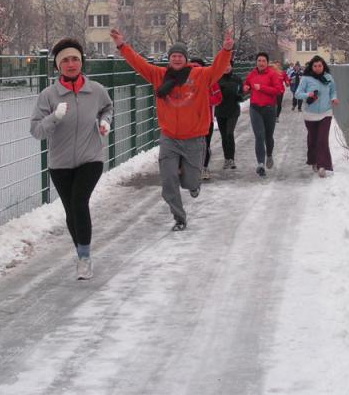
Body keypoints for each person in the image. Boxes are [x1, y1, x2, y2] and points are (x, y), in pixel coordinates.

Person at [110, 28, 233, 231]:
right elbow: (139, 64)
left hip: (194, 138)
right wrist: (122, 46)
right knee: (168, 181)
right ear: (169, 59)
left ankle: (193, 184)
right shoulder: (159, 75)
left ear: (185, 59)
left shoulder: (200, 75)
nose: (176, 59)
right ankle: (179, 218)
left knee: (189, 182)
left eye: (180, 56)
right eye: (173, 56)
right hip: (169, 138)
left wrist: (226, 50)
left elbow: (218, 68)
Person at [30, 38, 113, 280]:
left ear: (81, 62)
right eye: (65, 60)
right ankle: (82, 253)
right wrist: (54, 117)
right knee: (71, 210)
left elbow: (107, 108)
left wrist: (105, 121)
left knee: (79, 203)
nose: (71, 64)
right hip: (60, 164)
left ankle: (84, 259)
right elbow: (36, 131)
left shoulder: (96, 90)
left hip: (91, 158)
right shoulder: (49, 95)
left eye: (75, 59)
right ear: (58, 66)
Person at [295, 55, 339, 178]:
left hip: (326, 113)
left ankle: (322, 166)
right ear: (311, 67)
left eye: (320, 66)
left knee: (322, 139)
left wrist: (334, 98)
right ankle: (313, 160)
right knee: (313, 139)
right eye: (315, 66)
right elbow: (297, 94)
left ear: (323, 66)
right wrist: (307, 94)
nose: (318, 68)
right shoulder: (306, 79)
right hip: (310, 114)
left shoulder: (328, 77)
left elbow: (333, 91)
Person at [242, 52, 284, 177]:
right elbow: (246, 84)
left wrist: (261, 87)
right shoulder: (252, 74)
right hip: (255, 108)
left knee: (268, 136)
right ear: (256, 62)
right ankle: (260, 164)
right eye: (259, 60)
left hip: (269, 108)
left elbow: (278, 90)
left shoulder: (272, 74)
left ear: (267, 62)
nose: (261, 63)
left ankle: (269, 154)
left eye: (263, 61)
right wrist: (245, 87)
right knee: (259, 136)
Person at [190, 57, 223, 181]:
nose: (195, 70)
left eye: (197, 68)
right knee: (190, 145)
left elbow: (218, 98)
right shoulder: (185, 81)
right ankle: (191, 168)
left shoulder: (210, 81)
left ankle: (204, 167)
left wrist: (204, 100)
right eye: (192, 68)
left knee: (205, 144)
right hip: (188, 120)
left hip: (206, 119)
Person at [215, 62, 243, 169]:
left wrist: (239, 96)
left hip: (233, 110)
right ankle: (226, 159)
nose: (226, 67)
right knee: (224, 136)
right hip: (220, 110)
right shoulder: (217, 79)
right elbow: (213, 93)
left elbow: (242, 91)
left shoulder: (237, 79)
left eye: (228, 65)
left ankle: (231, 159)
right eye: (224, 65)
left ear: (232, 67)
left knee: (229, 133)